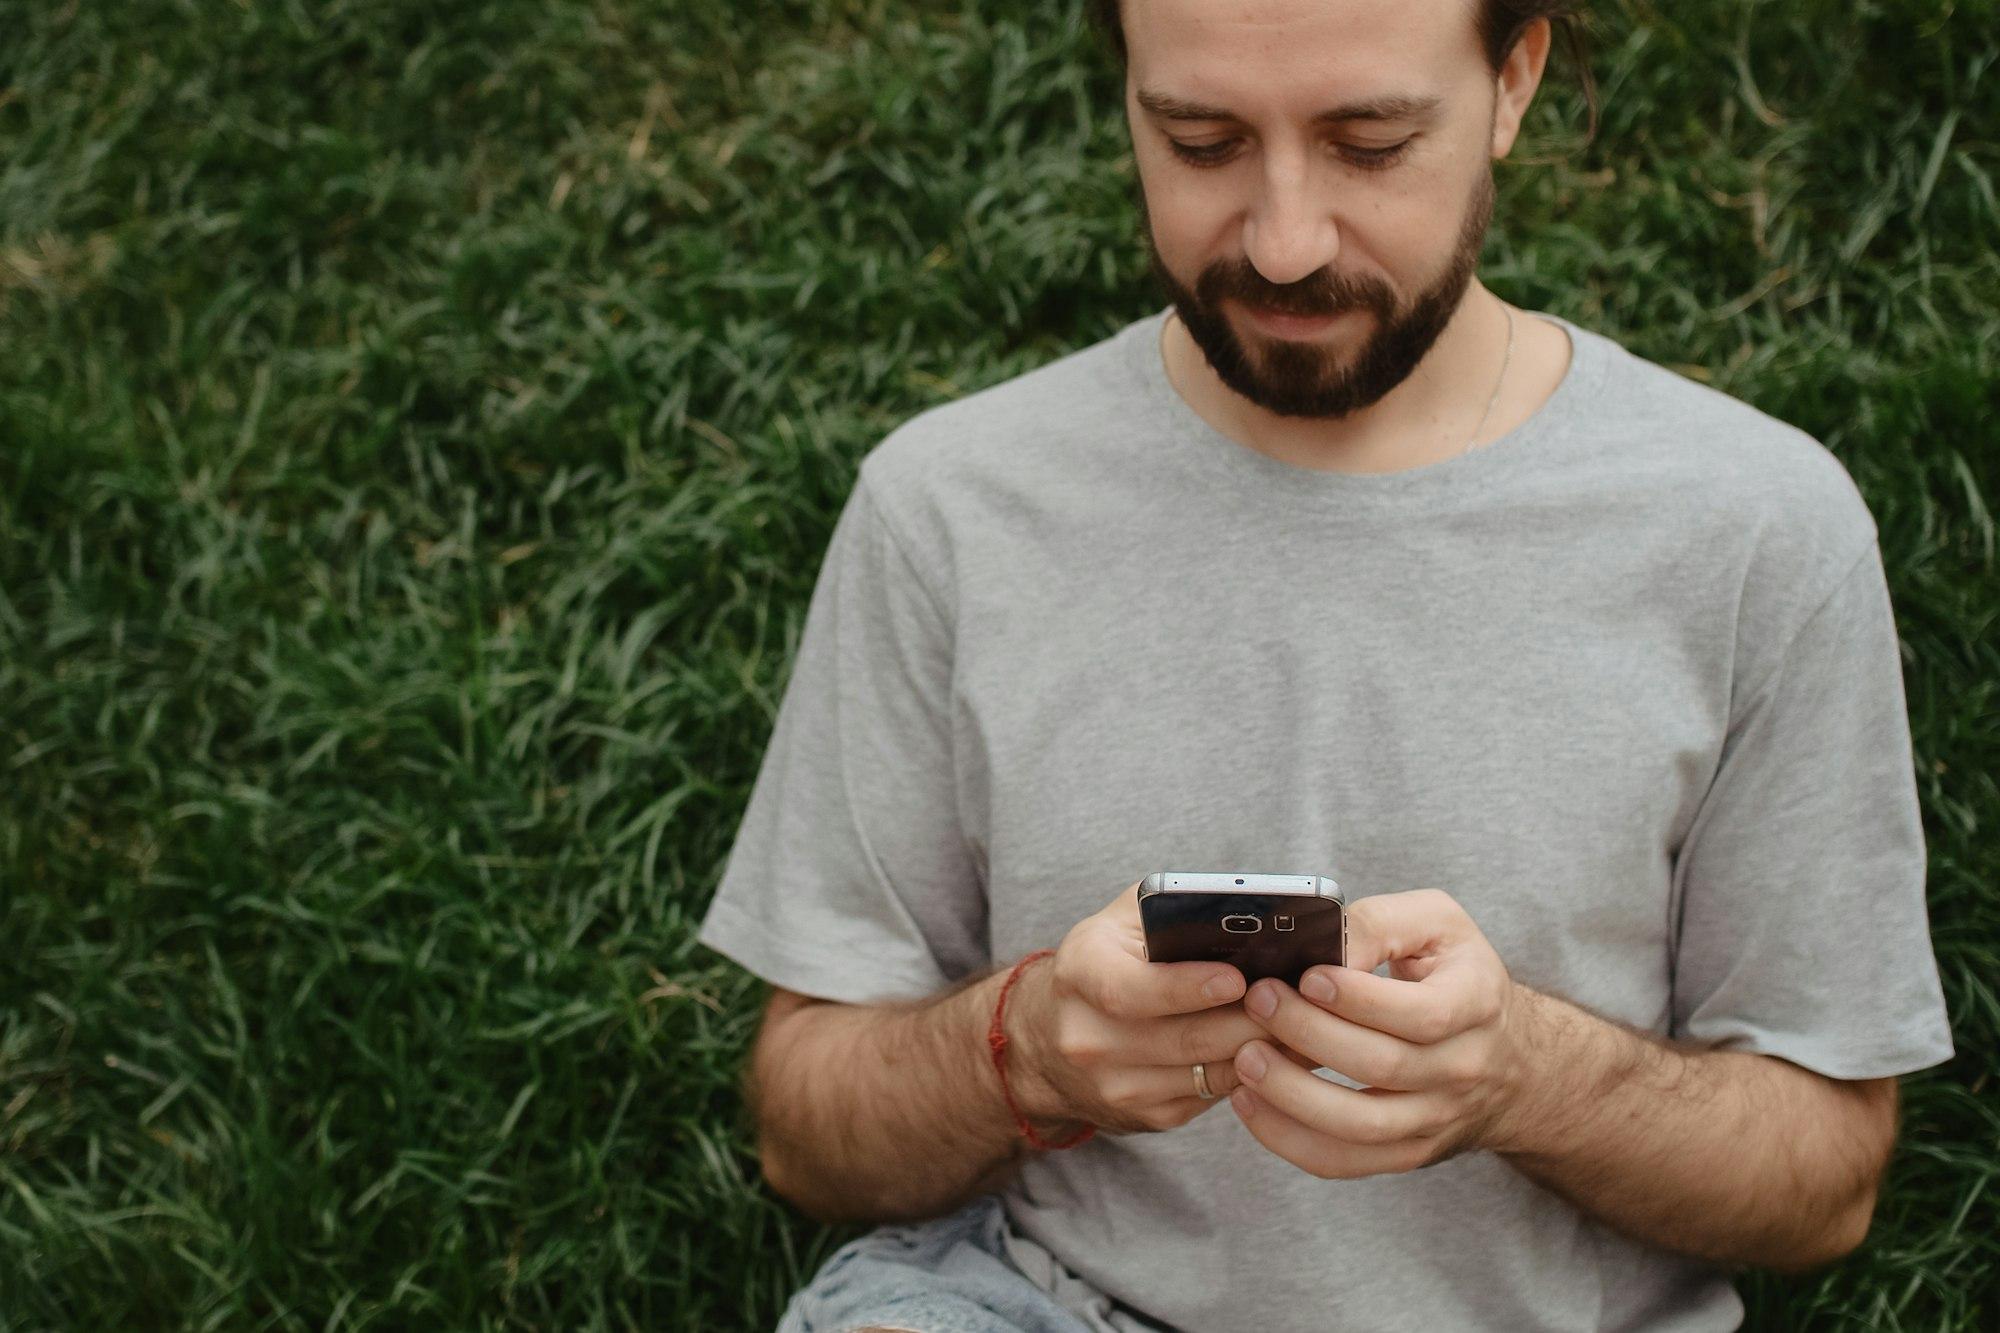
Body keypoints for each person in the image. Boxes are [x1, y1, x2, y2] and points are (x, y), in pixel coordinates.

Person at [693, 0, 1957, 1329]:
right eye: (1199, 140)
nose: (1284, 244)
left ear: (1513, 81)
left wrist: (1524, 1073)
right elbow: (810, 1130)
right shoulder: (948, 507)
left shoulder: (1757, 527)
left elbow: (1821, 1185)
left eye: (1370, 143)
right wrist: (1027, 1045)